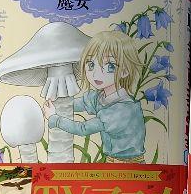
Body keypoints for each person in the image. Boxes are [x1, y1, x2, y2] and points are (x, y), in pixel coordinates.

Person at [43, 31, 147, 162]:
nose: (96, 74)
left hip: (129, 165)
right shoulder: (100, 97)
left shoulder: (123, 110)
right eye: (91, 65)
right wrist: (57, 103)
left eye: (110, 66)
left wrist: (54, 119)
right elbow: (76, 104)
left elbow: (83, 129)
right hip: (112, 161)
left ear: (125, 71)